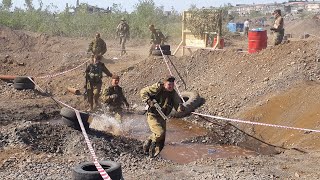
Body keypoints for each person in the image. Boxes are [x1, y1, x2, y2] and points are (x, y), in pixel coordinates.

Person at [140, 75, 185, 158]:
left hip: (162, 116)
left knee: (162, 139)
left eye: (172, 84)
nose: (171, 86)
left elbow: (177, 105)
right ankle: (150, 148)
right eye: (169, 84)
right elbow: (143, 91)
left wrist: (181, 108)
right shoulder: (157, 88)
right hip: (152, 115)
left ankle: (149, 145)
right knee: (159, 133)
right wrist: (149, 101)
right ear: (164, 84)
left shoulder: (173, 93)